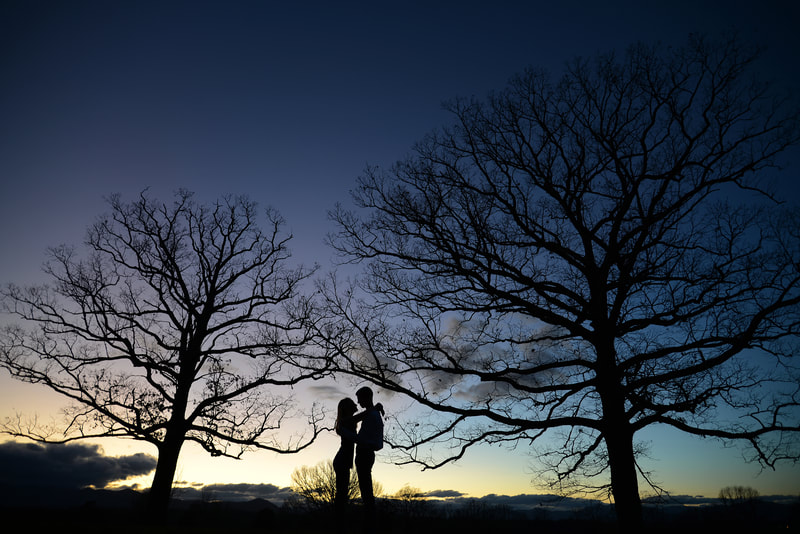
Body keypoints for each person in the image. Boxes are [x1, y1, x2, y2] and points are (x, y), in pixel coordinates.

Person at [354, 386, 383, 533]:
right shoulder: (374, 414)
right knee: (366, 490)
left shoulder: (372, 416)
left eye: (359, 399)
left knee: (366, 492)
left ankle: (370, 526)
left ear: (366, 397)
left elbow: (362, 438)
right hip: (367, 454)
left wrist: (349, 435)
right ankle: (370, 524)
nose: (358, 402)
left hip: (364, 453)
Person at [333, 397, 358, 534]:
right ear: (346, 408)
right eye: (352, 404)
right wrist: (373, 409)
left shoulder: (349, 422)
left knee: (342, 495)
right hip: (341, 460)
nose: (356, 404)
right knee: (341, 495)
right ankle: (340, 526)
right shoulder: (344, 422)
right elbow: (361, 416)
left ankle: (340, 525)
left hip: (343, 461)